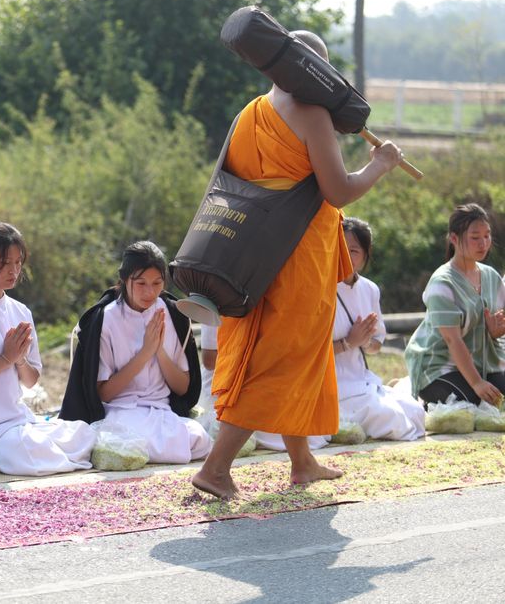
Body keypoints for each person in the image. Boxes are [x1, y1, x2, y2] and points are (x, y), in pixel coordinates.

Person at [191, 31, 403, 500]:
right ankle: (216, 467)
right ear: (313, 72)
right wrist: (381, 164)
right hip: (296, 259)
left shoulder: (251, 112)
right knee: (280, 360)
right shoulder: (312, 114)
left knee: (295, 355)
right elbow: (339, 191)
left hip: (254, 255)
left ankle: (302, 461)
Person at [0, 222, 96, 476]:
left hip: (14, 418)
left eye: (18, 262)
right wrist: (4, 359)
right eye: (4, 263)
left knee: (82, 433)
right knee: (31, 453)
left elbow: (32, 381)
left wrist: (19, 360)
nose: (13, 270)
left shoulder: (20, 311)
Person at [59, 241, 209, 463]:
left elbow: (182, 387)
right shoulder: (107, 319)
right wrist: (144, 354)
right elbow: (104, 393)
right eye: (141, 283)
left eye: (157, 283)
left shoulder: (171, 313)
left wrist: (159, 351)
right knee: (132, 440)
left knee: (200, 439)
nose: (150, 292)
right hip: (122, 412)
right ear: (124, 280)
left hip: (162, 412)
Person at [405, 204, 505, 408]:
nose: (483, 243)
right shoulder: (442, 282)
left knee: (497, 404)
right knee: (472, 404)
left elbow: (497, 326)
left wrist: (495, 332)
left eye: (487, 236)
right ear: (454, 239)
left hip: (483, 363)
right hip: (439, 365)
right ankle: (418, 391)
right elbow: (452, 339)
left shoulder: (492, 277)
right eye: (475, 237)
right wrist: (477, 383)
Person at [333, 218, 424, 440]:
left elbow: (376, 346)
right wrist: (348, 343)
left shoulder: (370, 289)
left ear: (365, 255)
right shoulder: (319, 289)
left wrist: (364, 341)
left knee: (417, 413)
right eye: (340, 248)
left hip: (362, 381)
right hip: (334, 387)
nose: (346, 255)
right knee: (392, 419)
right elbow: (307, 352)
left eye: (353, 250)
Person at [197, 323, 330, 451]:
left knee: (309, 433)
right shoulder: (219, 300)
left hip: (268, 379)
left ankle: (303, 462)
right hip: (227, 384)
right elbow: (209, 360)